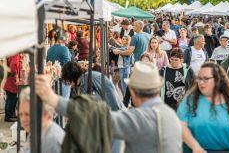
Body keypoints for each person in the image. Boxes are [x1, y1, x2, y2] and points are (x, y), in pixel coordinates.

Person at [36, 61, 182, 153]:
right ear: (158, 89)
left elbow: (93, 115)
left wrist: (52, 98)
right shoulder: (171, 115)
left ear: (132, 91)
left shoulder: (139, 119)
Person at [177, 61, 229, 153]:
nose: (201, 83)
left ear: (217, 80)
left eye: (206, 79)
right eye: (199, 79)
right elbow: (181, 125)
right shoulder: (190, 100)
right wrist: (195, 146)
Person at [19, 87, 65, 153]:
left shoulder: (51, 141)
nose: (23, 119)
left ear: (45, 114)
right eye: (21, 114)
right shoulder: (36, 130)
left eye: (27, 114)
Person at [4, 54, 20, 122]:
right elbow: (13, 67)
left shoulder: (12, 54)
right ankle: (9, 116)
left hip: (9, 79)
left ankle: (10, 114)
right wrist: (16, 75)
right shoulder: (16, 54)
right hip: (12, 80)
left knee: (10, 98)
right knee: (11, 98)